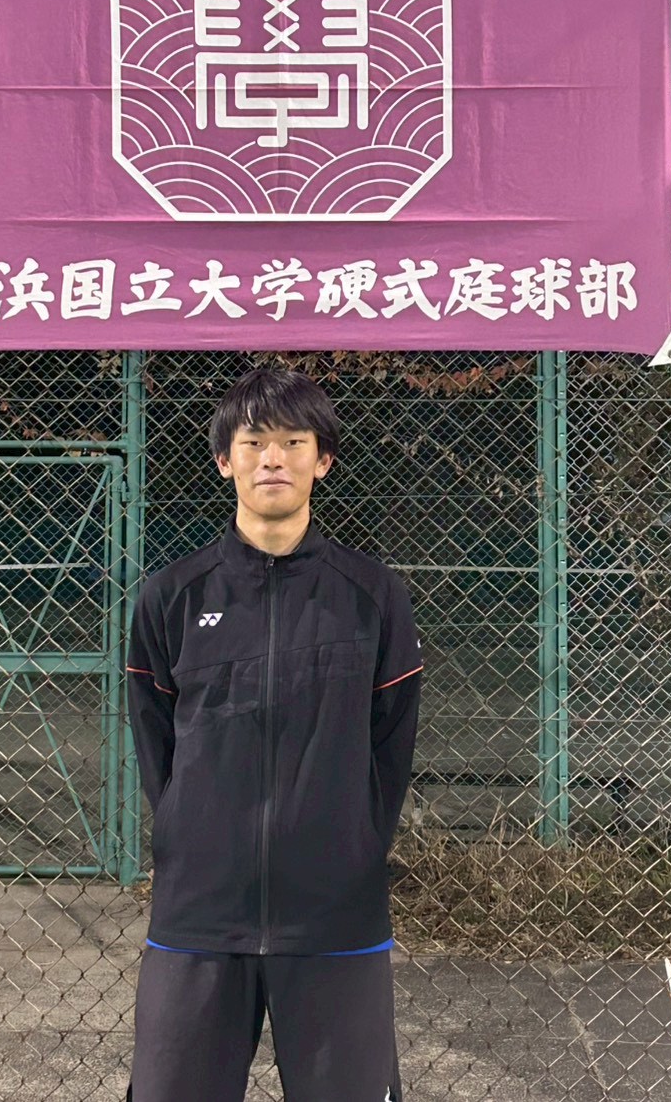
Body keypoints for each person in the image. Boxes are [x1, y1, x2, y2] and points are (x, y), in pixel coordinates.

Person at [125, 366, 423, 1102]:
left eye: (294, 442)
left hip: (335, 913)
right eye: (254, 441)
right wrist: (191, 833)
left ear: (323, 460)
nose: (273, 459)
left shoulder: (372, 596)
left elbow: (391, 743)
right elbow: (156, 744)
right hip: (199, 912)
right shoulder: (172, 596)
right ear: (224, 459)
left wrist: (352, 842)